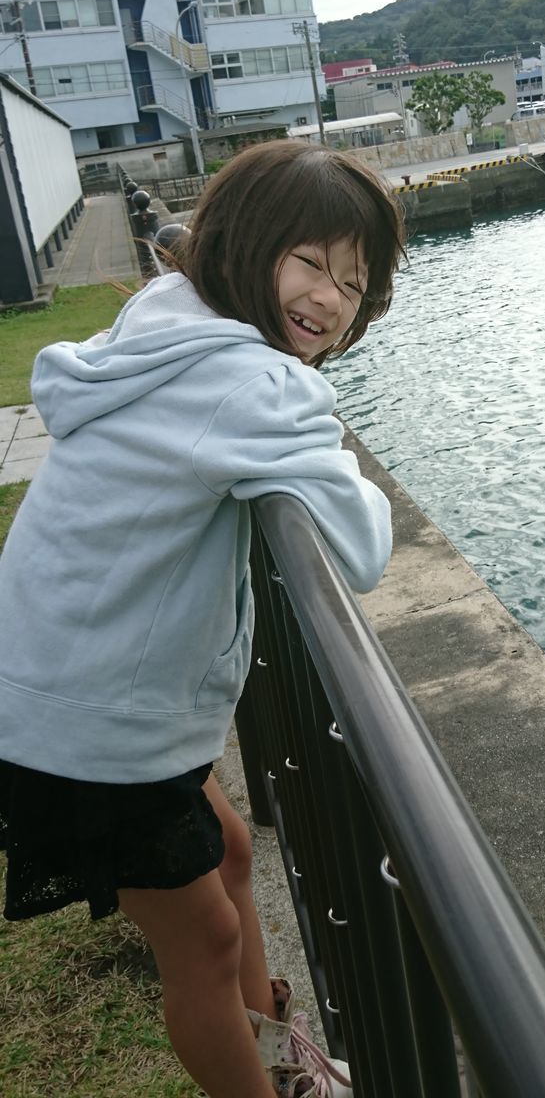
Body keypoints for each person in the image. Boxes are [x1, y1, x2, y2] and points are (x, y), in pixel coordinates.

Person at [0, 140, 407, 1098]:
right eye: (309, 262)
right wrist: (317, 422)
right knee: (206, 944)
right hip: (82, 722)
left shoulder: (168, 317)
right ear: (246, 244)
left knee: (229, 850)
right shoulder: (245, 383)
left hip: (60, 678)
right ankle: (265, 1084)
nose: (329, 300)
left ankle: (270, 1044)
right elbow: (365, 546)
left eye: (353, 283)